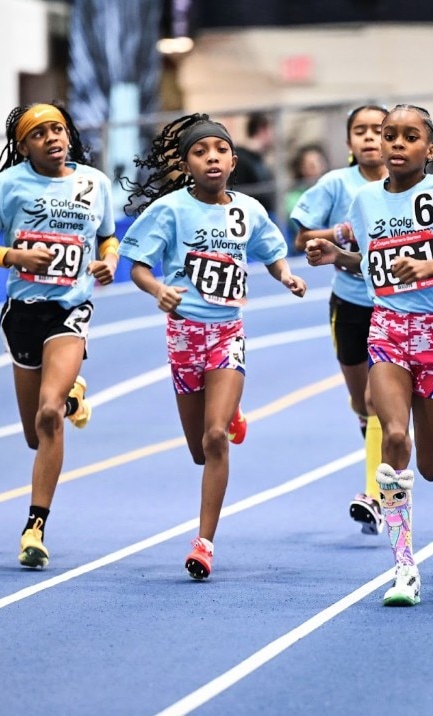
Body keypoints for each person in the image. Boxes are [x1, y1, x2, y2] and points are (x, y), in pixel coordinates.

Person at [305, 104, 433, 606]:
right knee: (393, 435)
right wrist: (338, 256)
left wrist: (432, 264)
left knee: (432, 467)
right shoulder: (365, 201)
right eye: (389, 135)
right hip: (387, 329)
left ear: (429, 150)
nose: (395, 144)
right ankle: (404, 566)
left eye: (409, 137)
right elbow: (372, 259)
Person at [119, 113, 307, 580]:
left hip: (227, 334)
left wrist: (285, 274)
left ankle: (204, 542)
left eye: (219, 151)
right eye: (201, 153)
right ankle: (228, 415)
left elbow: (271, 251)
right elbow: (138, 265)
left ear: (233, 159)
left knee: (215, 437)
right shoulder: (170, 211)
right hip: (184, 336)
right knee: (199, 451)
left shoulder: (248, 210)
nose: (212, 159)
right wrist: (157, 289)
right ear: (186, 165)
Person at [0, 101, 119, 569]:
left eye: (57, 129)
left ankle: (35, 527)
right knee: (36, 434)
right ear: (23, 145)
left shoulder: (94, 184)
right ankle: (71, 399)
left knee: (47, 414)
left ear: (68, 134)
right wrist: (14, 258)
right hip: (23, 312)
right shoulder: (5, 187)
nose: (52, 138)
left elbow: (108, 236)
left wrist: (108, 261)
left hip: (70, 309)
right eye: (39, 134)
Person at [290, 105, 387, 537]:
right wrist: (339, 234)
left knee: (375, 400)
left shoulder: (405, 187)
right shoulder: (335, 184)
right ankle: (374, 437)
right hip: (349, 303)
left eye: (378, 130)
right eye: (360, 131)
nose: (369, 138)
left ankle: (373, 492)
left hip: (394, 305)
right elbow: (302, 236)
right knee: (360, 402)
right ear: (349, 143)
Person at [229, 110, 277, 213]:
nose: (274, 136)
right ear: (262, 129)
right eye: (271, 130)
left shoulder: (259, 159)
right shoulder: (240, 159)